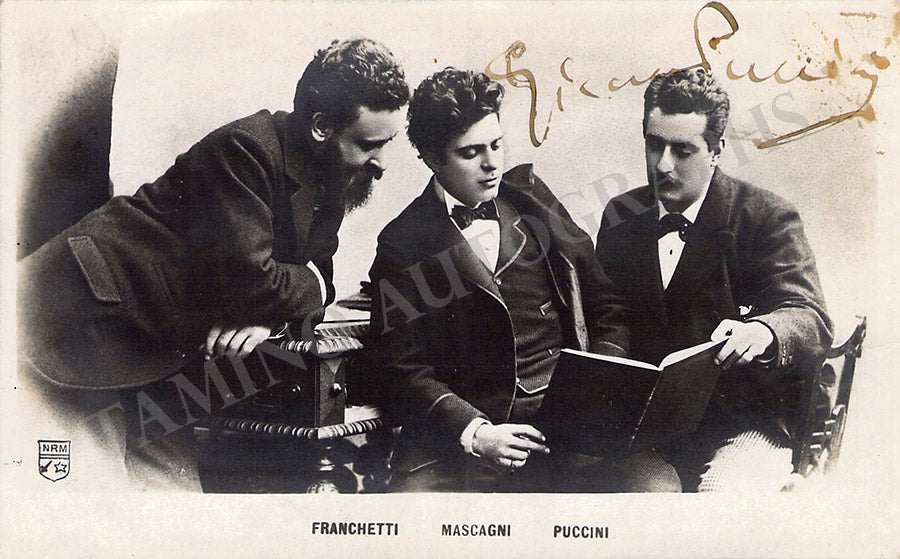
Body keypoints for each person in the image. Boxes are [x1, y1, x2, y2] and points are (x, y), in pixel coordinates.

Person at [17, 38, 409, 490]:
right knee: (89, 499)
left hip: (156, 353)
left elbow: (313, 277)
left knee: (175, 500)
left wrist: (269, 322)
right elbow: (256, 282)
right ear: (321, 126)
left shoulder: (333, 176)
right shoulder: (245, 149)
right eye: (369, 144)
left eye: (388, 143)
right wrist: (278, 298)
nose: (382, 163)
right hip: (76, 326)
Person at [366, 68, 680, 492]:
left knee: (656, 491)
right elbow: (402, 369)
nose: (492, 163)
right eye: (471, 152)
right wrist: (476, 433)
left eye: (496, 145)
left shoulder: (533, 205)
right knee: (414, 514)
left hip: (570, 434)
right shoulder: (402, 244)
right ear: (432, 158)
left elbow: (608, 308)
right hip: (464, 448)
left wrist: (596, 386)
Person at [594, 67, 833, 491]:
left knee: (721, 497)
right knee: (639, 501)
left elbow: (808, 315)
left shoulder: (766, 216)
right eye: (654, 145)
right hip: (651, 431)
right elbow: (608, 315)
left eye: (682, 151)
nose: (663, 165)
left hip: (749, 420)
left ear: (716, 151)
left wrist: (763, 331)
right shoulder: (621, 216)